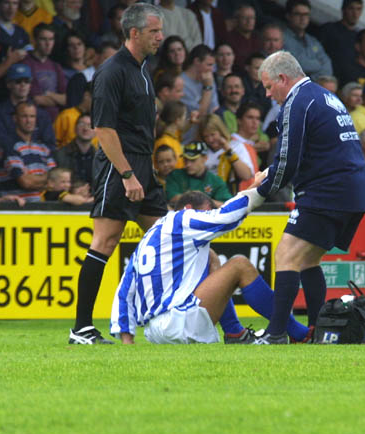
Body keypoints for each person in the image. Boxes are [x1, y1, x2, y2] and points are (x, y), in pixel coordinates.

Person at [254, 51, 365, 344]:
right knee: (308, 259)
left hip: (328, 191)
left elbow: (288, 160)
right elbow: (317, 149)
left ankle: (276, 333)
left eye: (269, 86)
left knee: (286, 254)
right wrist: (272, 173)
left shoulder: (297, 102)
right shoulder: (323, 96)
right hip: (353, 190)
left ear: (283, 78)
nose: (269, 95)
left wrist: (261, 189)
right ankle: (320, 332)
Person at [70, 3, 167, 345]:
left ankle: (179, 318)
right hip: (119, 165)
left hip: (141, 163)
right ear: (135, 32)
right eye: (155, 31)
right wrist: (127, 174)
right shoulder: (113, 71)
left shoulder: (142, 68)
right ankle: (81, 328)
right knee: (106, 241)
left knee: (169, 239)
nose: (161, 37)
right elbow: (104, 130)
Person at [110, 187, 310, 345]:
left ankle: (235, 333)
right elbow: (225, 217)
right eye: (206, 213)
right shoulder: (183, 218)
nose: (207, 218)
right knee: (240, 265)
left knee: (212, 257)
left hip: (155, 331)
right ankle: (299, 333)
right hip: (178, 323)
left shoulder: (151, 235)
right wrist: (256, 189)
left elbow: (124, 288)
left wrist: (127, 339)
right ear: (188, 208)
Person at [0, 62, 56, 151]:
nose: (23, 85)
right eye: (18, 81)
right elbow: (1, 141)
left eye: (27, 81)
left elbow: (50, 144)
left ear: (30, 85)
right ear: (9, 84)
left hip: (39, 160)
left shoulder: (41, 113)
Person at [0, 101, 56, 199]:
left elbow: (56, 179)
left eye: (32, 116)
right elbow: (25, 182)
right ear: (15, 118)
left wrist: (30, 176)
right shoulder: (8, 145)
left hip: (42, 206)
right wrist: (46, 179)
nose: (29, 120)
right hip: (16, 208)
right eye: (24, 116)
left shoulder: (43, 147)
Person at [23, 23, 67, 122]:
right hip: (34, 120)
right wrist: (57, 99)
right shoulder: (27, 63)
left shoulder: (56, 66)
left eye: (51, 39)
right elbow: (37, 99)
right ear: (34, 40)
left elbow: (66, 99)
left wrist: (49, 94)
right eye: (43, 39)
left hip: (55, 121)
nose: (48, 44)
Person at [165, 141, 232, 206]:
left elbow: (226, 205)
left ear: (205, 158)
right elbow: (172, 198)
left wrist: (198, 199)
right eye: (185, 160)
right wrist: (199, 199)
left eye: (192, 160)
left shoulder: (216, 181)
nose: (188, 164)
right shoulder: (175, 175)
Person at [199, 113, 253, 192]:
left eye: (213, 134)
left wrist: (229, 151)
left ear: (221, 131)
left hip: (229, 194)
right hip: (206, 194)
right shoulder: (201, 149)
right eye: (206, 136)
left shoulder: (236, 146)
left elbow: (247, 175)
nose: (210, 139)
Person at [281, 0, 333, 81]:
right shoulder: (280, 38)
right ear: (288, 16)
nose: (303, 18)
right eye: (298, 14)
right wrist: (318, 64)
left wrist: (310, 79)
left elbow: (328, 67)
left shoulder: (313, 41)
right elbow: (297, 65)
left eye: (306, 14)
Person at [180, 44, 218, 142]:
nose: (211, 69)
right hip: (185, 140)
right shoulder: (181, 83)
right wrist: (208, 88)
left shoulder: (209, 80)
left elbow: (213, 110)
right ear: (197, 61)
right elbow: (199, 114)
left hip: (205, 140)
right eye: (209, 65)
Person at [319, 0, 363, 84]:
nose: (355, 13)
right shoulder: (329, 29)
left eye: (358, 9)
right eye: (351, 9)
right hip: (328, 79)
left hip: (350, 82)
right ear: (343, 9)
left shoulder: (359, 36)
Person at [54, 112, 95, 182]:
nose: (85, 128)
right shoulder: (60, 155)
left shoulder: (98, 157)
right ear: (75, 128)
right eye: (82, 124)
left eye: (90, 125)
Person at [221, 3, 261, 72]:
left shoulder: (258, 38)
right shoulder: (228, 38)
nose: (249, 21)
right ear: (236, 20)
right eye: (245, 18)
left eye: (252, 18)